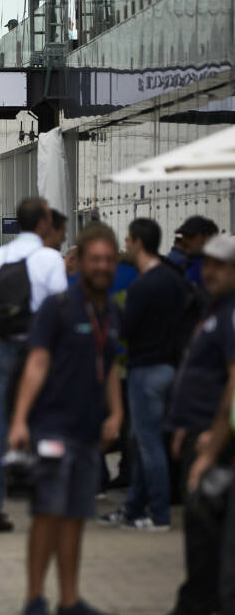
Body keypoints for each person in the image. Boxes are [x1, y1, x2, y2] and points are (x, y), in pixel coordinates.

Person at [7, 222, 124, 615]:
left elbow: (108, 366)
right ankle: (35, 598)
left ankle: (70, 600)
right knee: (48, 513)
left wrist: (116, 412)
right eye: (95, 259)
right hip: (52, 428)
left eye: (109, 259)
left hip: (89, 431)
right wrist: (20, 419)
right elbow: (37, 364)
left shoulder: (110, 311)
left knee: (76, 516)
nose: (102, 266)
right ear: (80, 263)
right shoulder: (58, 307)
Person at [146, 234, 235, 615]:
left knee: (206, 531)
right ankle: (202, 603)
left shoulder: (231, 315)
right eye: (207, 263)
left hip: (215, 440)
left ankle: (203, 607)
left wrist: (211, 446)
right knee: (199, 529)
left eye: (220, 265)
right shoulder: (215, 310)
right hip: (197, 431)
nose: (209, 271)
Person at [0, 197, 67, 534]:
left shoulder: (0, 256)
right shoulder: (50, 258)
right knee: (46, 421)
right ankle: (48, 502)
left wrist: (0, 338)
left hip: (9, 348)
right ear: (44, 223)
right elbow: (60, 307)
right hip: (42, 351)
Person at [99, 219, 189, 531]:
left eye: (127, 239)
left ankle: (160, 514)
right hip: (170, 368)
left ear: (137, 242)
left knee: (148, 445)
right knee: (142, 441)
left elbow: (125, 331)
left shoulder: (140, 286)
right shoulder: (174, 279)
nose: (125, 245)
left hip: (144, 369)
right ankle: (133, 507)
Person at [167, 215, 218, 288]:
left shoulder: (218, 267)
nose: (185, 241)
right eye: (184, 236)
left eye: (190, 236)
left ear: (206, 237)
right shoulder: (183, 264)